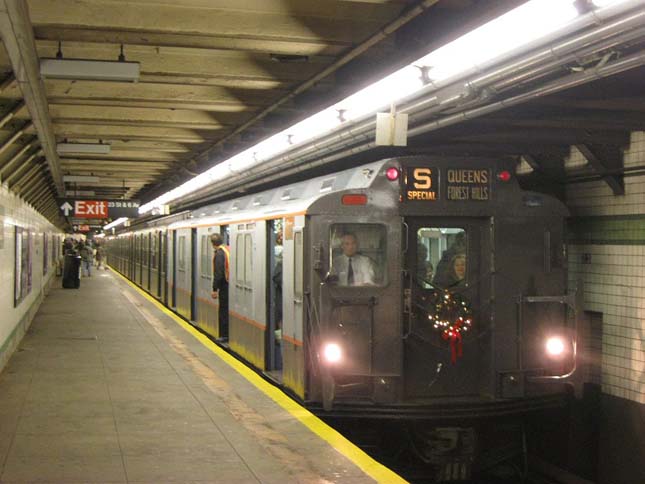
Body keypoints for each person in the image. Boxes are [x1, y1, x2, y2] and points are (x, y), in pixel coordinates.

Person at [210, 233, 230, 340]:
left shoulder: (219, 254)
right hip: (229, 284)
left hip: (224, 286)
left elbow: (218, 273)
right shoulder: (227, 250)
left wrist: (214, 289)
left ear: (213, 244)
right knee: (226, 309)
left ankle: (224, 335)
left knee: (223, 310)